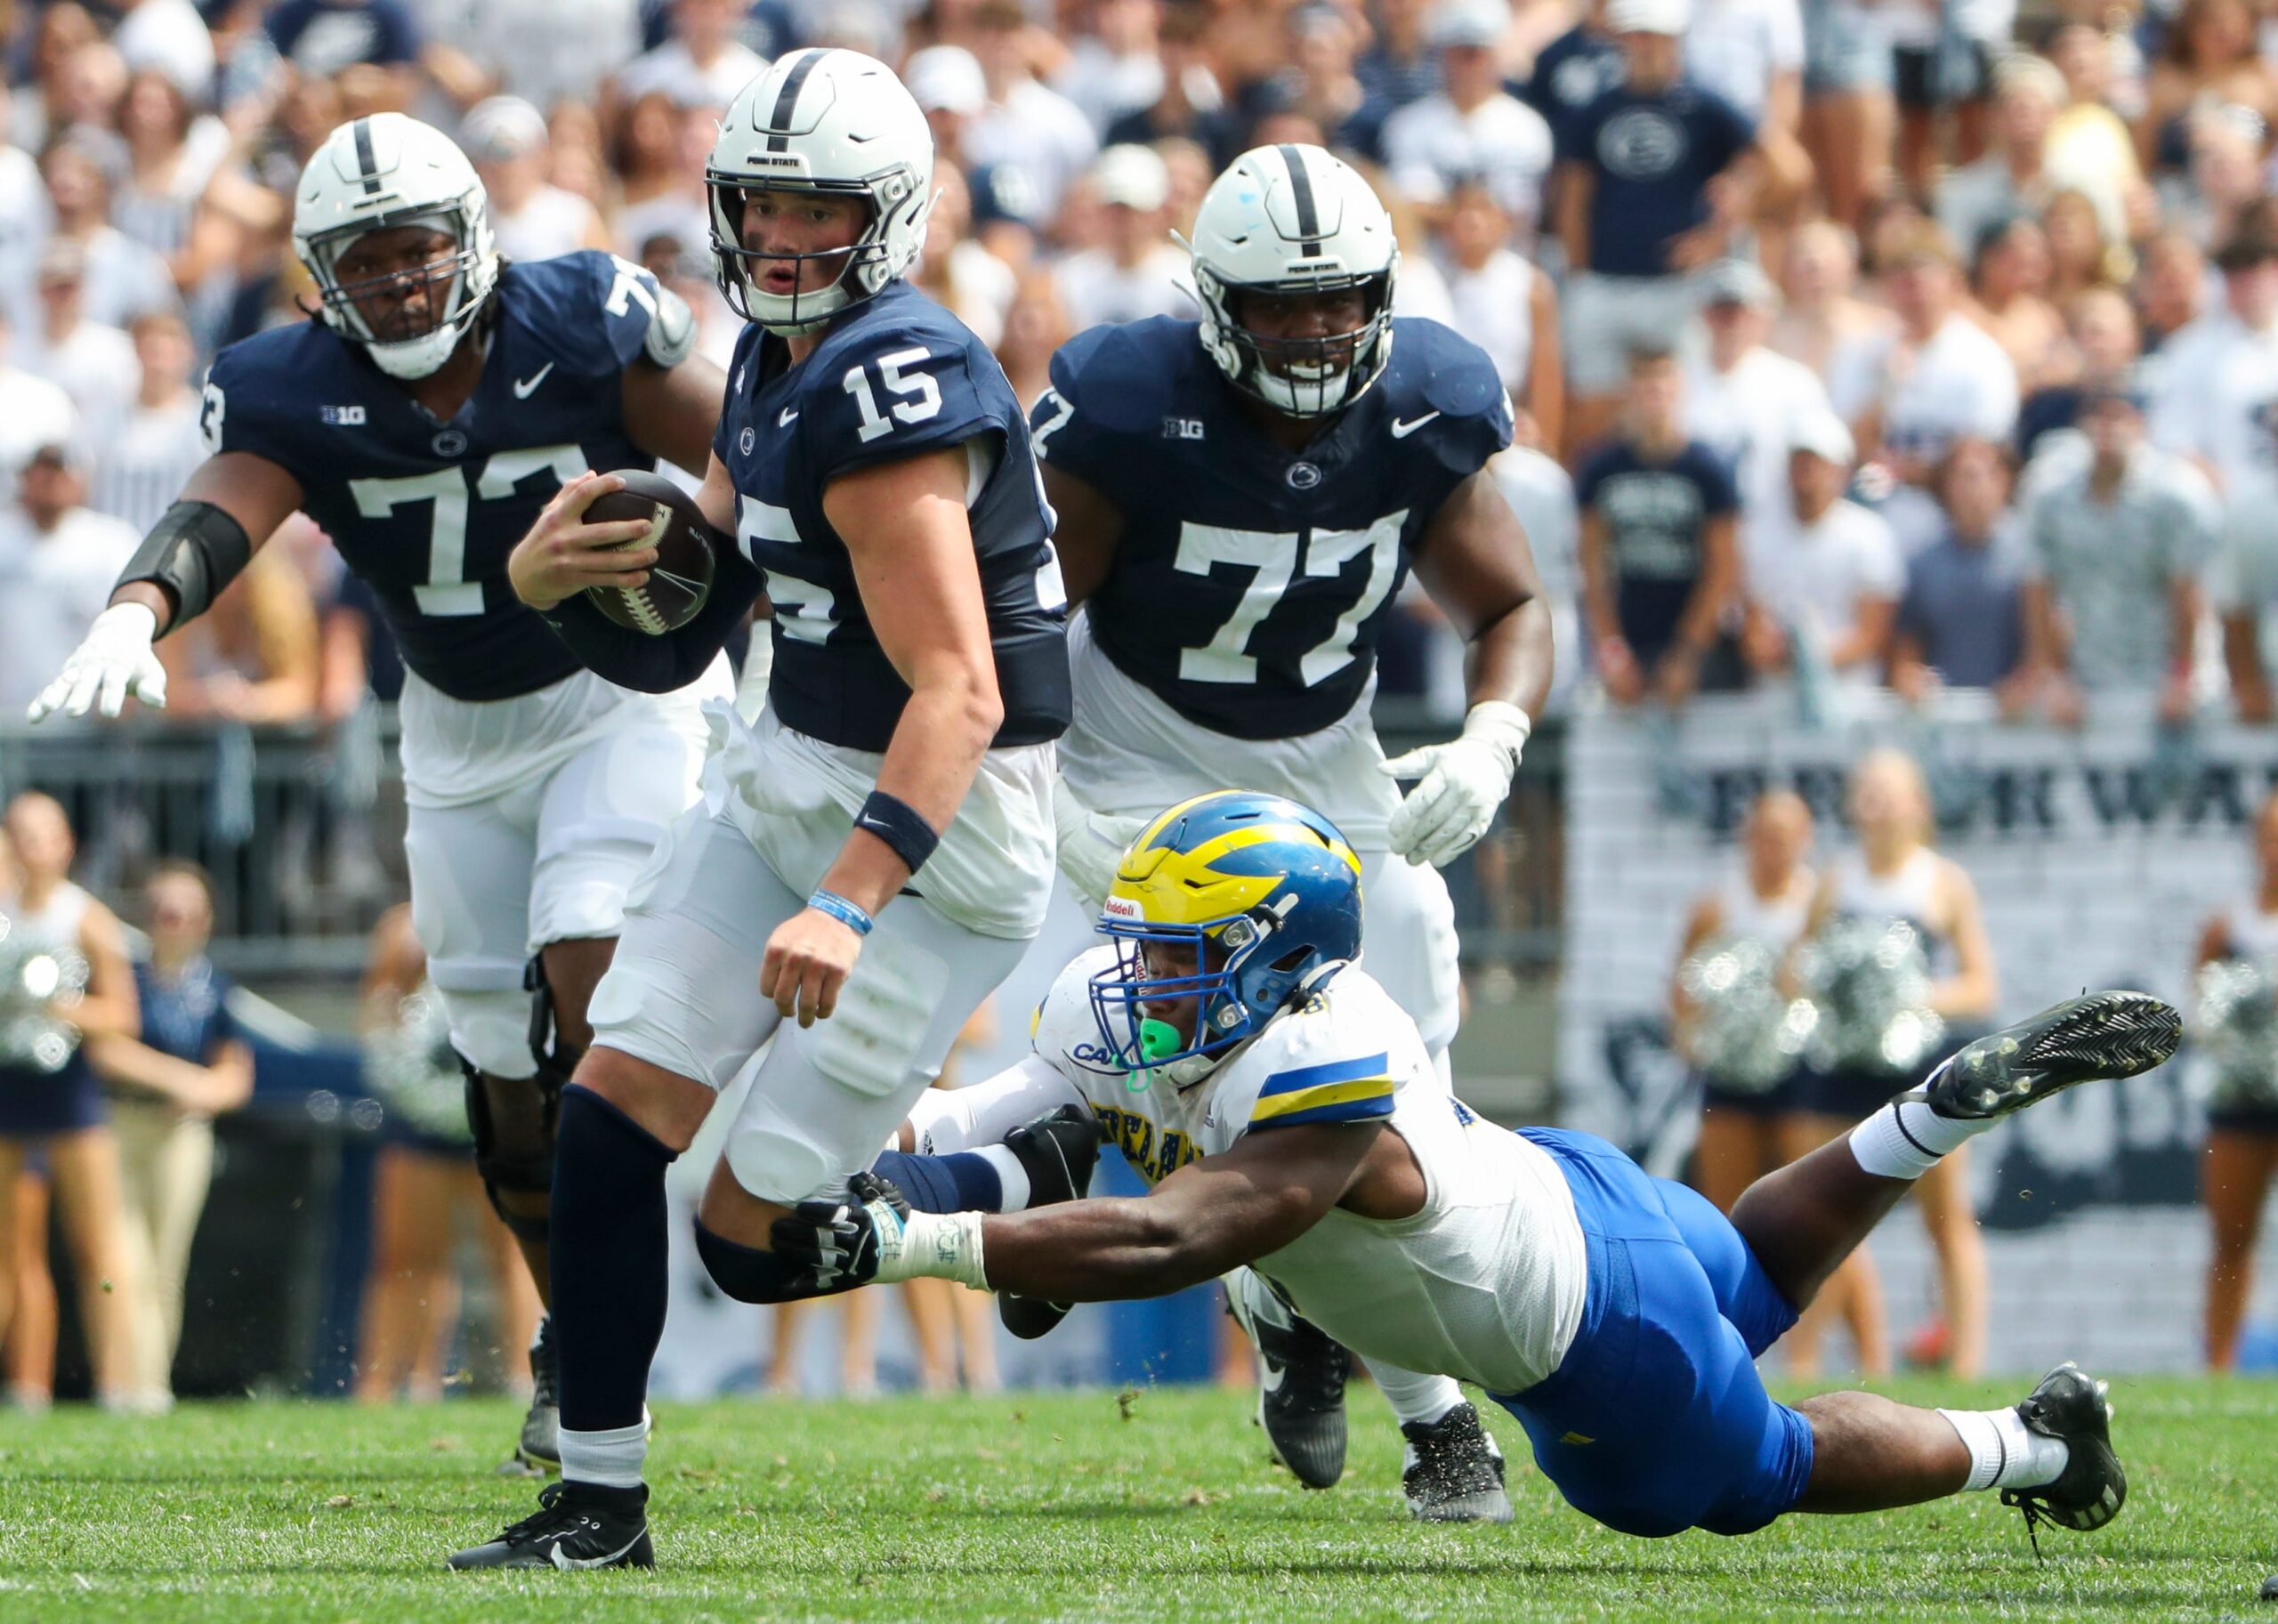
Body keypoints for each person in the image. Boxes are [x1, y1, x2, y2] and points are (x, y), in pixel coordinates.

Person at [776, 789, 2173, 1551]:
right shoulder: (1204, 1012)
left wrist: (908, 1247)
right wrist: (863, 1157)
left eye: (1183, 952)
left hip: (1591, 1333)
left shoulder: (1321, 1073)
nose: (1143, 975)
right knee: (1744, 1277)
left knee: (1765, 1469)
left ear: (1276, 959)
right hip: (1582, 1198)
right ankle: (1926, 1112)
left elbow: (1170, 1241)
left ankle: (2036, 1442)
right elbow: (993, 1109)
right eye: (1143, 941)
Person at [27, 113, 731, 1474]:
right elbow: (227, 501)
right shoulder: (289, 383)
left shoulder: (581, 316)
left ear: (472, 240)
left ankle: (606, 1342)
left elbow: (737, 445)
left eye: (419, 250)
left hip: (615, 696)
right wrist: (137, 607)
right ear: (315, 282)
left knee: (589, 961)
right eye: (368, 261)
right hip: (455, 730)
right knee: (498, 1071)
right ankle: (572, 1337)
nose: (402, 283)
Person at [447, 48, 1072, 1571]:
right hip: (787, 771)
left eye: (822, 209)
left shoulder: (891, 380)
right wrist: (540, 590)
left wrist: (849, 899)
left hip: (939, 840)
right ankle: (600, 1507)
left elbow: (961, 697)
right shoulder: (773, 359)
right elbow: (693, 615)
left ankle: (1012, 1170)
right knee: (602, 1120)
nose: (785, 239)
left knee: (754, 1243)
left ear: (893, 216)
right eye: (762, 204)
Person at [1015, 140, 1553, 1522]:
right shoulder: (1130, 401)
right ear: (1211, 302)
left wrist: (1495, 736)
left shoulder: (1431, 398)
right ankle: (1440, 1427)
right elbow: (1017, 623)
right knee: (1274, 1064)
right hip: (1144, 757)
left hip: (1330, 762)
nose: (1315, 331)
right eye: (1280, 304)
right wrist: (1048, 799)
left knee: (1408, 1074)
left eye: (1338, 300)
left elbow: (1511, 609)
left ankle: (1279, 1292)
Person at [1795, 749, 1996, 1378]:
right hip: (1844, 1068)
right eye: (1867, 792)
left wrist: (1910, 998)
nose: (1877, 804)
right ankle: (1804, 1361)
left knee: (1946, 1219)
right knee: (1824, 1218)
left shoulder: (1942, 880)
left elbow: (1980, 985)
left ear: (1918, 806)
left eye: (1890, 792)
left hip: (1919, 1069)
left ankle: (1966, 1364)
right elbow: (1797, 968)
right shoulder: (1836, 878)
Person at [1672, 788, 1878, 1377]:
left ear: (1807, 839)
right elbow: (1682, 989)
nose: (1775, 850)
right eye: (1764, 836)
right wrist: (1693, 1036)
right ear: (1747, 840)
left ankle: (1850, 1356)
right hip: (1733, 1077)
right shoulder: (1718, 907)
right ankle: (1724, 1352)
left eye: (1787, 836)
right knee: (1723, 1217)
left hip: (1803, 1075)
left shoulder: (1821, 903)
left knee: (1826, 1218)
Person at [1550, 0, 1810, 453]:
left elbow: (1789, 171)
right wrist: (1579, 271)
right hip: (1603, 284)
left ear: (1677, 41)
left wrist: (1726, 225)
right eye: (1637, 36)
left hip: (1679, 289)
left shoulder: (1707, 107)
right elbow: (1573, 195)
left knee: (1679, 418)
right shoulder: (1596, 109)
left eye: (1656, 36)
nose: (1646, 47)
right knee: (1591, 418)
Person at [355, 905, 541, 1403]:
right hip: (421, 1119)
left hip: (498, 1110)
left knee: (516, 1254)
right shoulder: (399, 927)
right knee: (410, 1256)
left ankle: (530, 1381)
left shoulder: (512, 911)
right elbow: (379, 1015)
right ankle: (402, 1381)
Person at [83, 862, 253, 1408]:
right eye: (164, 911)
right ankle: (118, 1382)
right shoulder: (126, 977)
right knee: (120, 1262)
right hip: (120, 1125)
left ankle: (150, 1386)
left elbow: (234, 1076)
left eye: (186, 912)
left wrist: (205, 1093)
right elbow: (107, 1048)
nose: (174, 922)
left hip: (180, 1134)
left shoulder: (215, 989)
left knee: (163, 1266)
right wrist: (180, 1078)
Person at [0, 794, 144, 1410]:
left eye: (40, 835)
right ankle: (27, 1387)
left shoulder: (85, 918)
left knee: (97, 1247)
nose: (29, 847)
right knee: (14, 1251)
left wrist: (64, 1009)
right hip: (9, 1088)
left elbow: (125, 1016)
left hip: (69, 1093)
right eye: (18, 834)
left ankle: (118, 1383)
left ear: (65, 846)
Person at [2020, 378, 2217, 727]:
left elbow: (2188, 590)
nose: (2106, 429)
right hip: (2087, 680)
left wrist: (2182, 674)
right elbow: (2038, 588)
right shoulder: (2051, 497)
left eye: (2118, 417)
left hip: (2161, 679)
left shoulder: (2174, 496)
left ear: (2140, 425)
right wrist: (2053, 674)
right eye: (2097, 417)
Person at [1576, 346, 1743, 707]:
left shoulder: (1707, 470)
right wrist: (1611, 648)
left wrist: (1687, 652)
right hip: (1629, 631)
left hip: (1693, 640)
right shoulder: (1601, 469)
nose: (1653, 392)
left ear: (1680, 387)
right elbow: (1592, 566)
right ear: (1628, 392)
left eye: (1662, 379)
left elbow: (1723, 568)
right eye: (1643, 381)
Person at [2197, 793, 2278, 1370]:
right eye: (2268, 834)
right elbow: (2201, 1012)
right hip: (2242, 1102)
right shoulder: (2228, 926)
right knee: (2231, 1238)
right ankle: (2219, 1367)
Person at [1738, 413, 1902, 690]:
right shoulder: (1757, 535)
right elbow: (1751, 626)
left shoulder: (1870, 535)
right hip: (1773, 701)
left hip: (1850, 701)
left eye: (1817, 463)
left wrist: (1808, 655)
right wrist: (1771, 650)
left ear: (1841, 471)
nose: (1807, 472)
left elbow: (1874, 633)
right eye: (1800, 462)